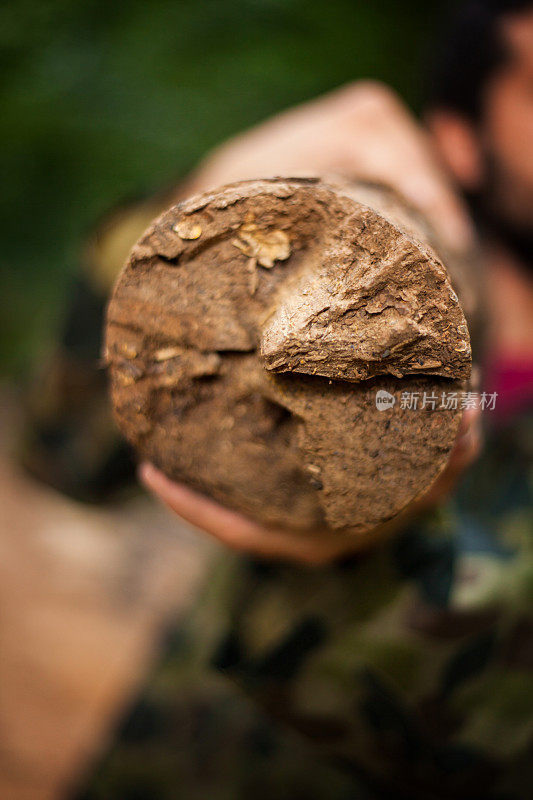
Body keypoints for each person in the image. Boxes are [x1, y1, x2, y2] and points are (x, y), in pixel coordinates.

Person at [24, 1, 532, 798]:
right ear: (462, 137)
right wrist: (196, 194)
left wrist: (379, 552)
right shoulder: (317, 273)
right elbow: (60, 454)